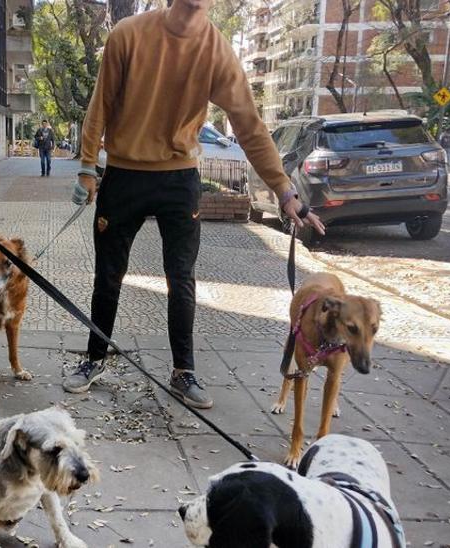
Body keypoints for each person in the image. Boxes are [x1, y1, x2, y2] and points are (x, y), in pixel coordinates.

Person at [63, 0, 326, 408]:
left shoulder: (216, 50)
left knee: (181, 278)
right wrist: (86, 167)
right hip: (123, 174)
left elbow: (250, 126)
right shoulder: (127, 35)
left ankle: (183, 372)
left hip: (179, 178)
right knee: (109, 275)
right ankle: (94, 358)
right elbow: (101, 105)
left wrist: (284, 190)